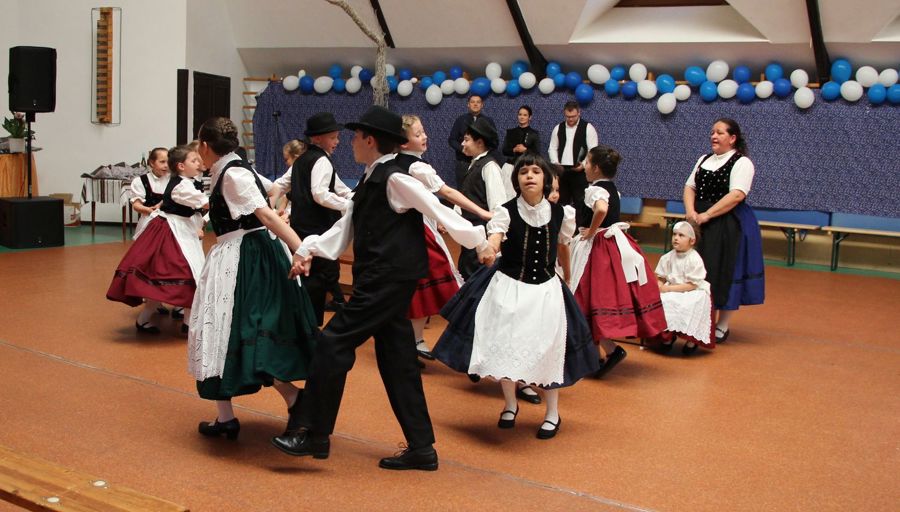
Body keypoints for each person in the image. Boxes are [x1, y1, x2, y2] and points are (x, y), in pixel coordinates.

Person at [271, 106, 491, 471]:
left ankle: (312, 432)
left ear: (370, 140)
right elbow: (344, 228)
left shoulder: (395, 178)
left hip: (387, 280)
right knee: (398, 361)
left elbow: (437, 209)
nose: (351, 142)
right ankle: (421, 448)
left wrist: (480, 241)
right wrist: (308, 249)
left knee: (332, 342)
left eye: (356, 136)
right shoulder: (371, 178)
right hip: (383, 279)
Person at [432, 154, 600, 440]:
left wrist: (569, 277)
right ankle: (510, 404)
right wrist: (489, 248)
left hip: (546, 290)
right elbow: (495, 239)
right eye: (523, 172)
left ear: (546, 179)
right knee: (505, 346)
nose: (529, 176)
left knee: (549, 349)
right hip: (509, 287)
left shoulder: (562, 214)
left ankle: (552, 412)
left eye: (535, 171)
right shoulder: (505, 211)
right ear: (516, 180)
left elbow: (562, 246)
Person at [187, 117, 317, 441]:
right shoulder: (233, 168)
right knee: (220, 330)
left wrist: (300, 248)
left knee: (246, 328)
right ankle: (226, 417)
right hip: (241, 252)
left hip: (247, 257)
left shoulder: (233, 173)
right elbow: (272, 190)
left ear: (205, 146)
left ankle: (295, 399)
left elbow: (267, 214)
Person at [397, 114, 492, 362]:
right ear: (404, 142)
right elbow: (447, 192)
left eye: (423, 131)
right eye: (418, 134)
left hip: (406, 230)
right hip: (417, 232)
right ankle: (467, 342)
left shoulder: (395, 162)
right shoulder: (417, 167)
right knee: (442, 280)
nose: (424, 136)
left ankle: (414, 339)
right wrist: (482, 212)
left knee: (419, 286)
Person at [570, 146, 667, 377]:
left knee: (586, 296)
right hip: (613, 245)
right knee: (590, 300)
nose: (584, 166)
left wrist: (591, 231)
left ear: (595, 168)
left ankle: (605, 352)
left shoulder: (594, 190)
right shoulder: (613, 189)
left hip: (598, 247)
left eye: (587, 162)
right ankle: (596, 356)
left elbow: (601, 209)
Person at [107, 145, 209, 334]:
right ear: (181, 166)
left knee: (187, 273)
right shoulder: (182, 185)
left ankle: (184, 320)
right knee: (183, 272)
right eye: (194, 160)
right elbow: (206, 203)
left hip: (178, 228)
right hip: (172, 230)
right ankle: (176, 320)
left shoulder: (182, 181)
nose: (199, 163)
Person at [683, 118, 765, 342]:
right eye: (712, 132)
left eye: (719, 133)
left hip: (728, 222)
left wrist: (708, 214)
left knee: (725, 269)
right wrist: (691, 212)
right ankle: (699, 319)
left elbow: (736, 195)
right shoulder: (703, 159)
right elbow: (690, 186)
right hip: (700, 221)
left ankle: (722, 325)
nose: (714, 136)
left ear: (732, 138)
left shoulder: (742, 162)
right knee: (698, 269)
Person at [270, 113, 352, 324]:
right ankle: (311, 325)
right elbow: (320, 194)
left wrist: (353, 197)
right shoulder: (321, 160)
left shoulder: (302, 160)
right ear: (316, 138)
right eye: (333, 137)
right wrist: (348, 205)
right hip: (318, 230)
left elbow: (279, 185)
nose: (337, 141)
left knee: (305, 274)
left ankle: (302, 322)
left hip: (300, 229)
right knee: (318, 277)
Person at [652, 221, 715, 354]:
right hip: (672, 288)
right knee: (663, 301)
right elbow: (661, 276)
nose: (676, 238)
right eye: (674, 234)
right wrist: (660, 284)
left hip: (692, 290)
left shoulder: (694, 259)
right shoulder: (667, 257)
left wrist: (669, 289)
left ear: (692, 241)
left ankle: (692, 340)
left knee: (690, 304)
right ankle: (668, 337)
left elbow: (693, 284)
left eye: (681, 235)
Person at [456, 117, 507, 279]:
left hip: (481, 237)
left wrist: (492, 240)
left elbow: (498, 206)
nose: (463, 144)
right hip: (470, 235)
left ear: (479, 143)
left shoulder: (490, 167)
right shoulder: (474, 164)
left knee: (478, 278)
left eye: (466, 140)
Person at [548, 101, 598, 207]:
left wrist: (583, 165)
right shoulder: (558, 128)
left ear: (579, 113)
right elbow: (552, 148)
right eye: (568, 116)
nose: (570, 119)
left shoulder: (588, 128)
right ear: (564, 113)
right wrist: (556, 164)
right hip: (562, 171)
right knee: (561, 201)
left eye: (573, 116)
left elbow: (593, 150)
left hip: (580, 171)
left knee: (580, 202)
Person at [448, 94, 496, 187]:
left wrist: (483, 151)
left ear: (482, 105)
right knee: (463, 190)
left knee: (481, 189)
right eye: (472, 102)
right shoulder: (460, 120)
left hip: (482, 162)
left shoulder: (488, 121)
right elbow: (452, 140)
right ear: (468, 104)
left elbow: (494, 142)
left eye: (478, 102)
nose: (475, 104)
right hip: (464, 162)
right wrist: (462, 149)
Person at [500, 105, 541, 200]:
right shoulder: (510, 132)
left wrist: (525, 150)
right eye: (520, 114)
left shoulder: (534, 134)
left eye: (525, 115)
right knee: (507, 194)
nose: (522, 117)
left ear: (530, 117)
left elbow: (537, 153)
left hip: (526, 167)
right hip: (510, 166)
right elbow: (504, 150)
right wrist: (514, 150)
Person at [130, 147, 170, 240]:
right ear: (152, 163)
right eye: (162, 162)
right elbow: (136, 205)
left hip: (170, 224)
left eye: (168, 162)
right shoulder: (141, 181)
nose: (166, 165)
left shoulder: (173, 180)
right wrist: (150, 210)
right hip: (149, 223)